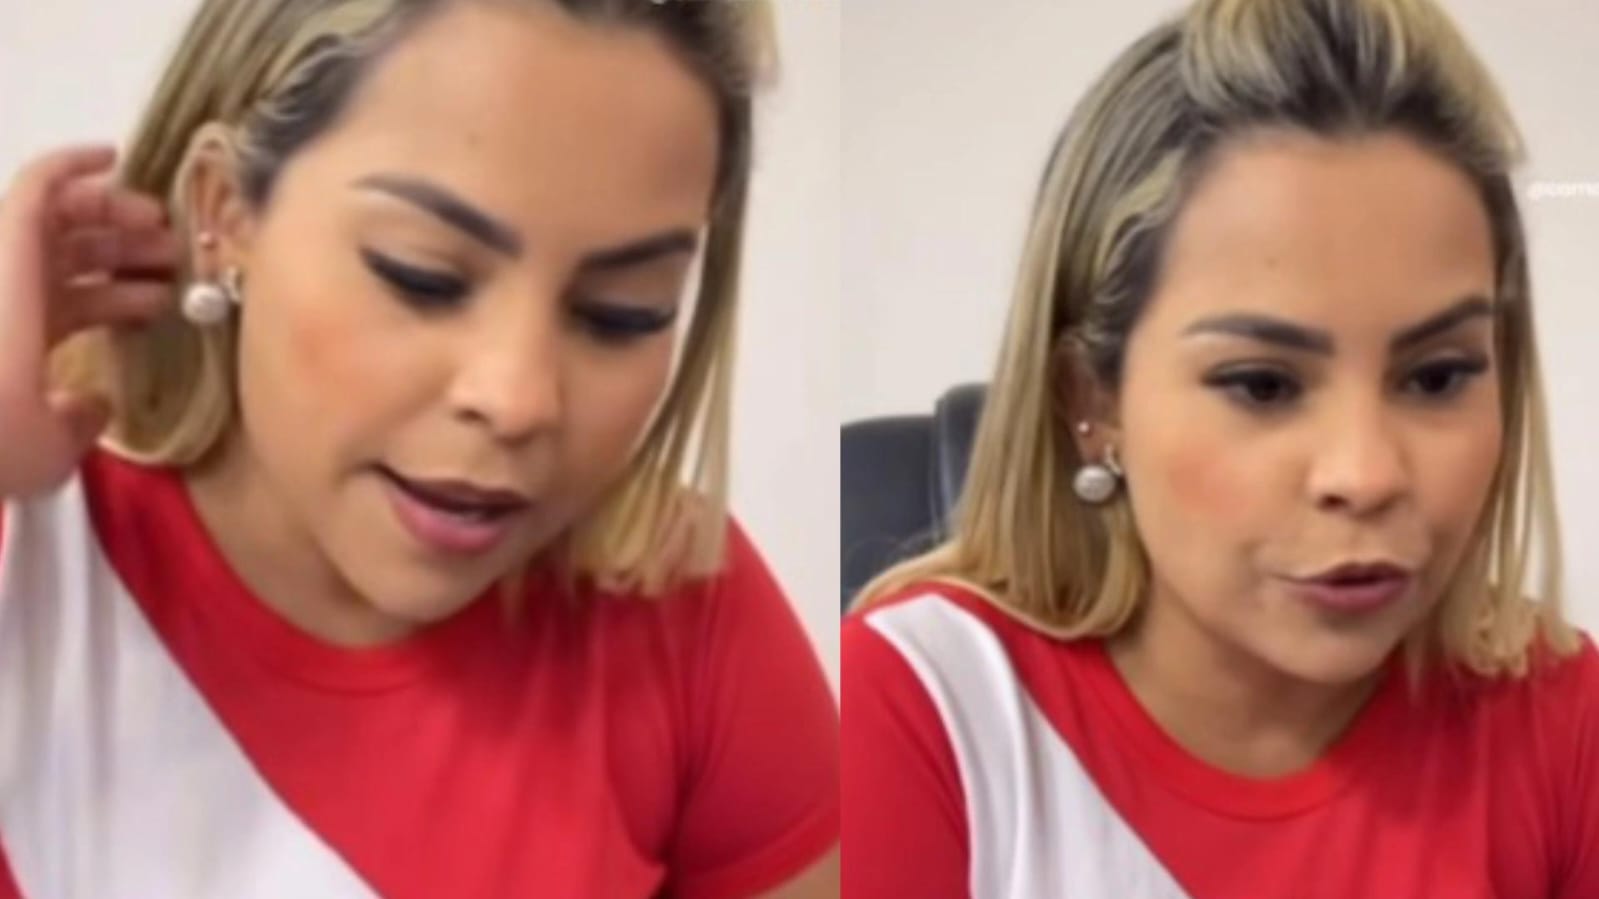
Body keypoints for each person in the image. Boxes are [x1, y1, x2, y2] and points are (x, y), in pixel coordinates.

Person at [0, 1, 838, 896]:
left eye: (622, 313)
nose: (518, 399)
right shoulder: (32, 546)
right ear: (225, 214)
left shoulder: (681, 604)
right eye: (423, 276)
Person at [842, 0, 1597, 896]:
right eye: (1262, 385)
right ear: (1091, 402)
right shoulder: (925, 706)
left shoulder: (1563, 716)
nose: (1365, 474)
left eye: (1436, 377)